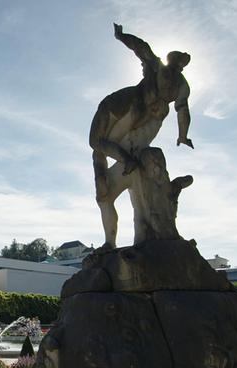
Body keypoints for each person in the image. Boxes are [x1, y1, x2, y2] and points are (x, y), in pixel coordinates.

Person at [90, 24, 193, 249]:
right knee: (135, 200)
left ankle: (111, 243)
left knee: (108, 194)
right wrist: (183, 136)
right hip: (141, 142)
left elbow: (141, 48)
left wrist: (121, 36)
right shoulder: (181, 86)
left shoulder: (156, 69)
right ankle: (135, 242)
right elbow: (182, 109)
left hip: (132, 128)